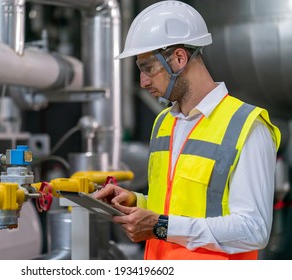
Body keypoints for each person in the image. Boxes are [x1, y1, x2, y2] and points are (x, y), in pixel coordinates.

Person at [94, 0, 281, 260]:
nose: (143, 81)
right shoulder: (164, 122)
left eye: (148, 68)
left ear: (179, 58)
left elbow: (253, 229)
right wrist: (137, 202)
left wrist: (160, 226)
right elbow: (175, 206)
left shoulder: (247, 126)